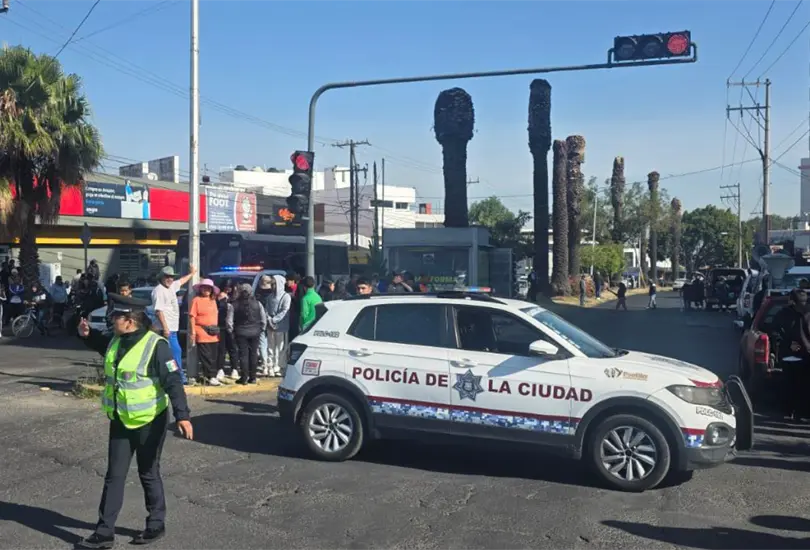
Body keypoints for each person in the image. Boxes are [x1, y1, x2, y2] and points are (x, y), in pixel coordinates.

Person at [75, 293, 192, 549]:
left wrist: (183, 416)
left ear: (130, 320)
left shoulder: (157, 346)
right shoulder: (117, 340)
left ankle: (155, 525)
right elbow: (100, 344)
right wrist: (86, 334)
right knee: (114, 475)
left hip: (151, 421)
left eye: (116, 316)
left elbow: (173, 382)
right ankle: (104, 533)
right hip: (120, 420)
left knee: (148, 472)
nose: (111, 320)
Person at [151, 265, 197, 385]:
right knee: (175, 352)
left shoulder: (171, 287)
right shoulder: (159, 291)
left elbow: (181, 281)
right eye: (167, 276)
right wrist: (165, 328)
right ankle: (179, 377)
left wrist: (191, 274)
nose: (170, 279)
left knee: (170, 354)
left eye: (171, 276)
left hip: (172, 328)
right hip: (166, 329)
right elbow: (158, 311)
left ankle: (172, 375)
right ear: (161, 277)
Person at [774, 289, 810, 420]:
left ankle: (794, 412)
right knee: (796, 385)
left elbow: (775, 331)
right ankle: (793, 412)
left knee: (795, 385)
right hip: (797, 356)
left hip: (800, 355)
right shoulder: (786, 314)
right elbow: (776, 332)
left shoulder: (784, 313)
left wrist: (786, 344)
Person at [226, 283, 267, 384]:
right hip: (255, 332)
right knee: (253, 354)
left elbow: (229, 321)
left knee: (243, 355)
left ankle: (244, 377)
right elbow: (263, 318)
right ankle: (253, 377)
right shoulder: (258, 303)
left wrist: (231, 331)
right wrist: (261, 329)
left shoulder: (234, 305)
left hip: (240, 332)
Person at [189, 279, 222, 386]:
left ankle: (212, 374)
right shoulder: (196, 300)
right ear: (200, 289)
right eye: (204, 287)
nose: (206, 290)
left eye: (209, 288)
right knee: (206, 355)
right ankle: (210, 376)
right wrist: (193, 332)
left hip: (214, 332)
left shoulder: (213, 300)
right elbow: (192, 317)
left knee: (214, 355)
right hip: (201, 330)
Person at [266, 274, 292, 377]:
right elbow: (266, 309)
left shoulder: (286, 296)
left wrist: (274, 320)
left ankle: (279, 366)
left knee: (280, 348)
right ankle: (270, 366)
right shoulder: (269, 297)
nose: (272, 286)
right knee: (270, 347)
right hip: (270, 326)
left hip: (281, 326)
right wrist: (269, 320)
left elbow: (284, 310)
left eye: (274, 284)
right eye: (272, 284)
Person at [215, 280, 240, 382]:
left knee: (232, 349)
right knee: (222, 350)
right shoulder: (219, 299)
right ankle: (220, 369)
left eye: (230, 287)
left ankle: (234, 369)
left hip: (232, 328)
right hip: (221, 327)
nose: (228, 289)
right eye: (226, 287)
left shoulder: (234, 299)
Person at [255, 275, 274, 375]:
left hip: (260, 322)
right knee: (271, 344)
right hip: (272, 322)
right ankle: (271, 366)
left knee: (262, 344)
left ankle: (264, 365)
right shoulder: (273, 296)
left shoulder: (257, 296)